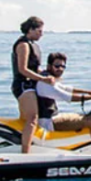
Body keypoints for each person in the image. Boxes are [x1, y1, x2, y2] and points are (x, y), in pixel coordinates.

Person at [35, 52, 91, 154]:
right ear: (49, 66)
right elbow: (68, 97)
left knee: (90, 114)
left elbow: (66, 88)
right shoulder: (45, 82)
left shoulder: (47, 77)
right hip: (49, 121)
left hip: (52, 116)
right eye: (57, 66)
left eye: (63, 66)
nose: (60, 69)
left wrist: (89, 92)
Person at [11, 16, 56, 153]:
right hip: (23, 85)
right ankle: (25, 153)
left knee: (29, 118)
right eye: (39, 31)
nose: (41, 34)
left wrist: (47, 75)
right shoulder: (23, 45)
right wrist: (42, 80)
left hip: (31, 85)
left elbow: (34, 68)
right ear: (30, 29)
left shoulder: (33, 45)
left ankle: (29, 144)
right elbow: (22, 69)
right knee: (32, 118)